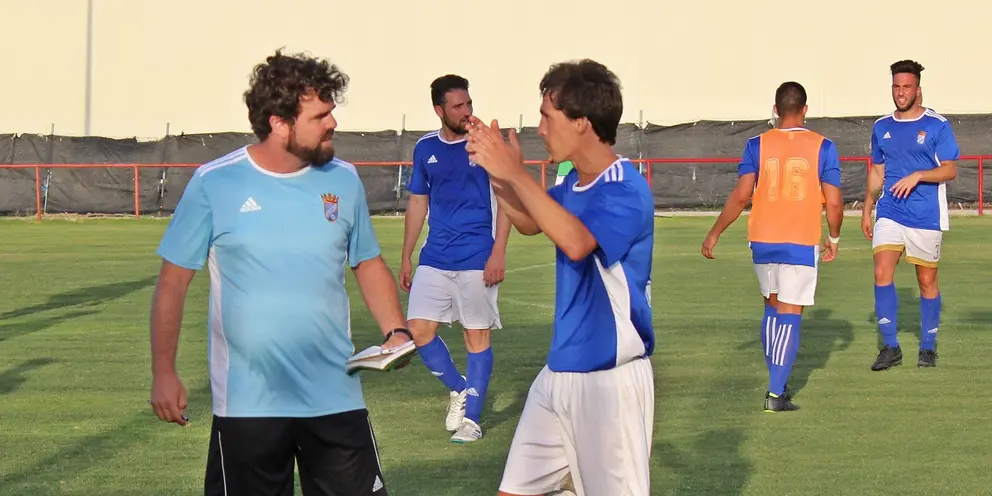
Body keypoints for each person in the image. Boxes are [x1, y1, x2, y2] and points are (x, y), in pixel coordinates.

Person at [148, 50, 411, 496]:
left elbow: (366, 261)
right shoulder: (215, 183)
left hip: (336, 396)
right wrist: (163, 371)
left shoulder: (343, 180)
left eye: (331, 112)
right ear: (278, 122)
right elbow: (173, 282)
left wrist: (396, 330)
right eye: (320, 115)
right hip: (249, 405)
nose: (332, 123)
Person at [463, 59, 655, 496]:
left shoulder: (626, 187)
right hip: (559, 373)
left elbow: (576, 242)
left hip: (609, 381)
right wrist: (497, 176)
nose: (540, 128)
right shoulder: (573, 184)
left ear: (582, 123)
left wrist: (515, 172)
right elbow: (532, 221)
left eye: (548, 117)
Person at [701, 81, 844, 413]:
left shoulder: (756, 144)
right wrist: (834, 237)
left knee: (772, 306)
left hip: (762, 239)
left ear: (775, 110)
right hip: (800, 239)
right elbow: (834, 202)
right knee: (791, 311)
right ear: (805, 110)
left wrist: (715, 232)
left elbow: (741, 195)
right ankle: (776, 393)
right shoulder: (823, 146)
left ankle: (777, 381)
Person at [399, 74, 512, 444]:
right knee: (418, 331)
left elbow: (508, 199)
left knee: (475, 336)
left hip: (478, 254)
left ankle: (472, 420)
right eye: (458, 106)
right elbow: (418, 202)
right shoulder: (424, 148)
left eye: (469, 104)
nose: (467, 112)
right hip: (435, 256)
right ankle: (460, 388)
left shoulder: (486, 144)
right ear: (439, 110)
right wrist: (406, 256)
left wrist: (498, 252)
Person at [862, 60, 959, 371]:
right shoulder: (881, 127)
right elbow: (877, 170)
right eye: (896, 86)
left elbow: (950, 169)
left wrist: (918, 175)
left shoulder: (937, 125)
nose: (900, 92)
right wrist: (868, 207)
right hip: (889, 210)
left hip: (925, 214)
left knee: (926, 280)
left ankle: (928, 347)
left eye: (906, 87)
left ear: (918, 89)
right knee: (881, 272)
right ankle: (890, 346)